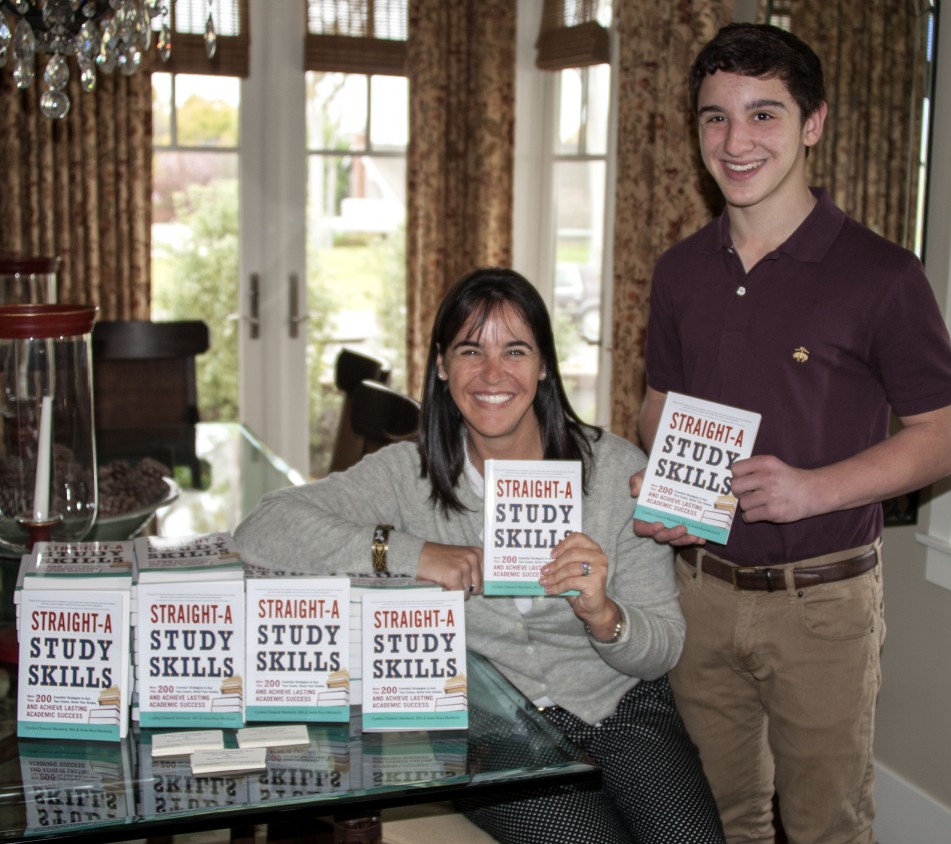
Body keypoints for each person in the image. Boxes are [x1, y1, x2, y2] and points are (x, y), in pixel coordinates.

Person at [235, 267, 725, 844]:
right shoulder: (407, 474)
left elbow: (662, 646)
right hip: (488, 725)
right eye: (471, 350)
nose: (493, 374)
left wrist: (605, 616)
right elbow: (261, 528)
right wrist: (414, 553)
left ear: (543, 366)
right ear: (442, 366)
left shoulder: (613, 469)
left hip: (619, 703)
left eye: (515, 351)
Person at [632, 22, 951, 844]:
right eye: (716, 117)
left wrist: (812, 488)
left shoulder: (884, 276)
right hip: (699, 592)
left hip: (823, 605)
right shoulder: (680, 270)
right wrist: (663, 476)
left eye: (764, 114)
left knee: (827, 825)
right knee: (715, 821)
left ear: (813, 122)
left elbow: (944, 438)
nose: (736, 141)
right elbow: (655, 402)